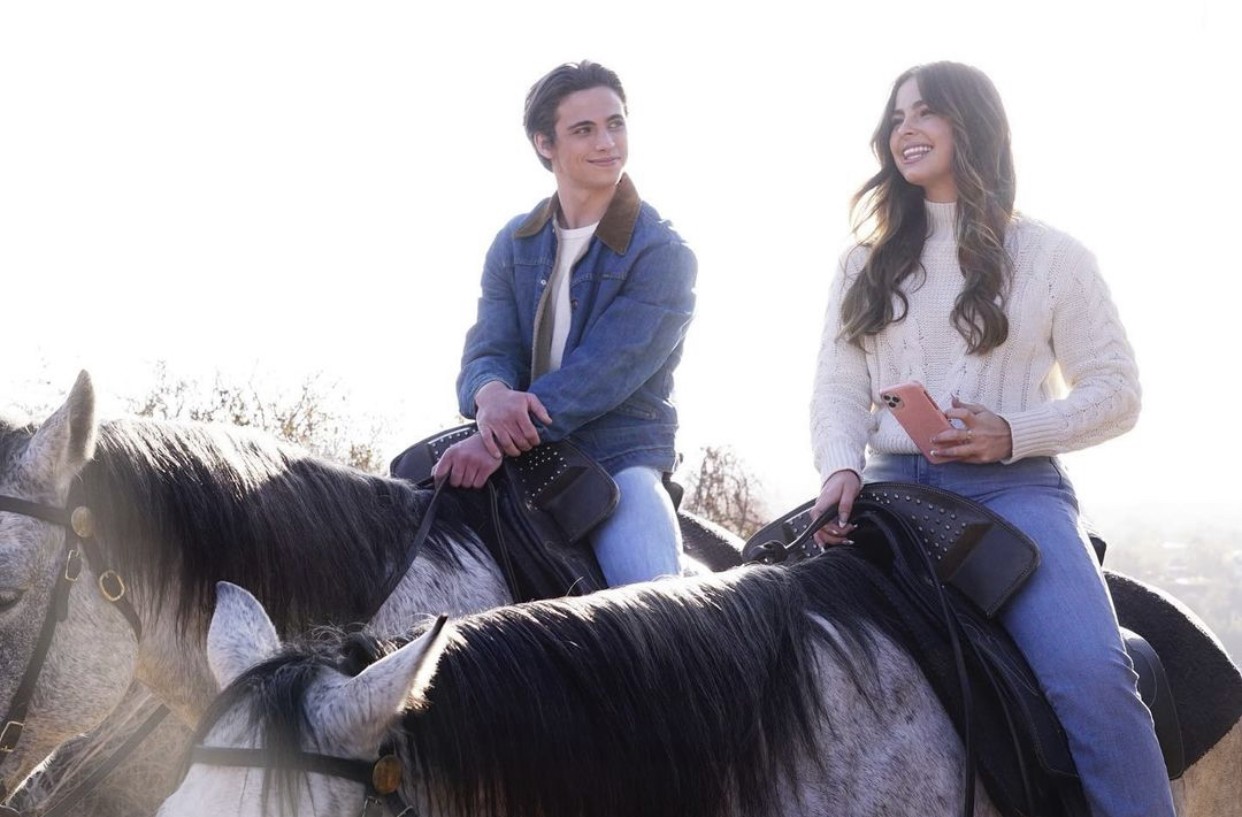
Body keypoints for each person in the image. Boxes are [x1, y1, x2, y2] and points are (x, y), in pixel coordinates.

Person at [809, 62, 1172, 817]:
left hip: (1014, 496)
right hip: (888, 493)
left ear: (971, 125)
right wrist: (840, 468)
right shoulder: (861, 262)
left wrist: (1012, 432)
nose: (906, 129)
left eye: (925, 112)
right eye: (896, 117)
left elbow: (1118, 392)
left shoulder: (1053, 257)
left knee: (1096, 678)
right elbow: (838, 387)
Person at [433, 60, 696, 588]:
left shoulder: (663, 253)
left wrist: (496, 439)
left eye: (615, 124)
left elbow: (604, 371)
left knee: (650, 603)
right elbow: (489, 346)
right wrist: (489, 395)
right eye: (584, 129)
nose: (607, 143)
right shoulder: (515, 243)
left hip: (618, 457)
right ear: (544, 143)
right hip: (513, 443)